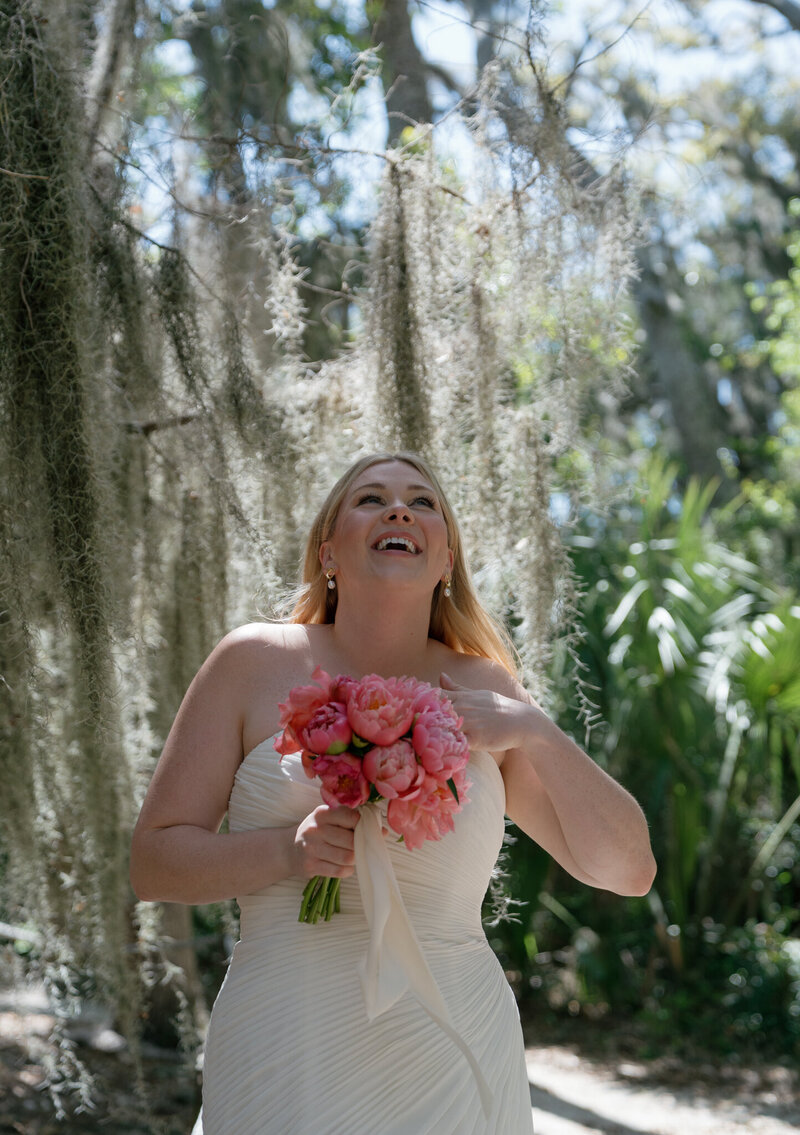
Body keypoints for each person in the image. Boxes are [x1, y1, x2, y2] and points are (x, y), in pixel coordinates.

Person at [130, 451, 656, 1135]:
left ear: (446, 562)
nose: (400, 510)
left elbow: (627, 870)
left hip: (451, 1048)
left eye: (422, 502)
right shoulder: (250, 663)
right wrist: (287, 852)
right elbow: (154, 863)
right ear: (328, 552)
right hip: (285, 1040)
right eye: (371, 498)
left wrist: (536, 729)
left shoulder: (486, 690)